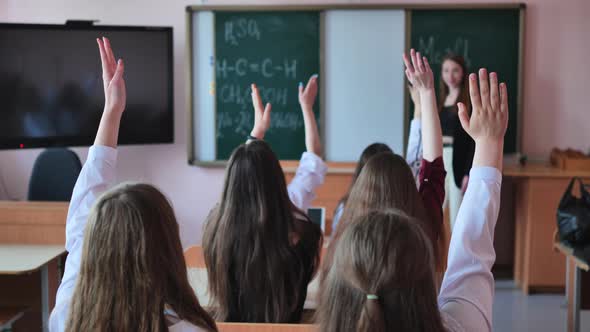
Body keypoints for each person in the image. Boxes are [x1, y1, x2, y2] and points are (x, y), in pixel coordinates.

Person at [317, 68, 509, 332]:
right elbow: (471, 250)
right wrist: (489, 141)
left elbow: (470, 251)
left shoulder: (343, 224)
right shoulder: (460, 324)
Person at [49, 37, 217, 332]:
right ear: (167, 248)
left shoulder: (66, 316)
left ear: (94, 245)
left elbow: (84, 211)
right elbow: (84, 213)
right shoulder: (191, 330)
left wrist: (111, 111)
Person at [202, 75, 326, 323]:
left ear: (230, 182)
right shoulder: (299, 227)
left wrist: (256, 133)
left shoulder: (215, 230)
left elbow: (246, 174)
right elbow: (314, 158)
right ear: (276, 177)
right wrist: (306, 109)